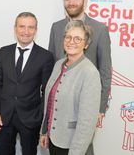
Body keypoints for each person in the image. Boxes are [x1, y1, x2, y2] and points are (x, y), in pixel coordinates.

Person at [48, 0, 112, 154]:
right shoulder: (56, 27)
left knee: (82, 145)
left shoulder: (99, 30)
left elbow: (105, 72)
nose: (71, 3)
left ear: (85, 0)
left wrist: (100, 108)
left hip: (85, 102)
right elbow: (51, 65)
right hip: (60, 104)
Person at [0, 12, 54, 155]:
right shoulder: (4, 51)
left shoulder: (46, 56)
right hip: (4, 117)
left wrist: (41, 117)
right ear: (15, 28)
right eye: (22, 27)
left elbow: (47, 91)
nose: (26, 31)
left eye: (31, 27)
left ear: (36, 30)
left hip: (31, 118)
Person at [40, 20, 101, 155]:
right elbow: (50, 102)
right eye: (68, 37)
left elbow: (87, 122)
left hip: (71, 144)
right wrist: (44, 131)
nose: (71, 41)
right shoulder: (59, 64)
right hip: (54, 139)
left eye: (78, 39)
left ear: (86, 44)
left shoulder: (90, 73)